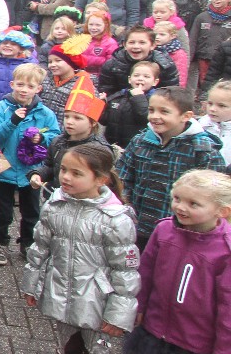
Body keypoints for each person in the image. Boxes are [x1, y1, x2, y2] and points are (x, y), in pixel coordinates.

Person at [20, 144, 138, 354]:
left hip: (97, 299)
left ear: (100, 179)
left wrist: (120, 312)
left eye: (76, 173)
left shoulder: (115, 218)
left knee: (98, 352)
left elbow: (125, 270)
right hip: (61, 291)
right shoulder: (55, 205)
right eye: (63, 170)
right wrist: (32, 283)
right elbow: (40, 248)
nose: (66, 177)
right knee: (67, 344)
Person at [125, 169, 231, 354]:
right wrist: (139, 307)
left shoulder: (225, 249)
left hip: (198, 338)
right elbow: (146, 271)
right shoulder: (164, 230)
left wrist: (225, 349)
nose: (181, 207)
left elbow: (229, 303)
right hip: (158, 324)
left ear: (221, 211)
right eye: (177, 199)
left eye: (193, 203)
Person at [119, 86, 228, 252]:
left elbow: (212, 196)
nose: (155, 116)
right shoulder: (140, 141)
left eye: (164, 111)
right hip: (137, 225)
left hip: (180, 231)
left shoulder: (202, 150)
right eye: (151, 110)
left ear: (186, 116)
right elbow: (123, 177)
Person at [0, 63, 61, 266]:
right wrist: (11, 122)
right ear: (12, 84)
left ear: (38, 89)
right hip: (2, 168)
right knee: (3, 211)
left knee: (31, 211)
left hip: (31, 171)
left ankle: (27, 243)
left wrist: (41, 138)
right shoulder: (0, 108)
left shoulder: (45, 113)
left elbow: (55, 137)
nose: (24, 90)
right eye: (20, 84)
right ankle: (0, 242)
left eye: (30, 86)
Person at [97, 26, 180, 97]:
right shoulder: (112, 65)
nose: (136, 46)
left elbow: (170, 94)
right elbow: (107, 92)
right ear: (124, 45)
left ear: (152, 45)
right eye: (131, 42)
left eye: (142, 42)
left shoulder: (165, 65)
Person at [102, 61, 159, 149]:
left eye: (146, 76)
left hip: (137, 147)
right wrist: (101, 104)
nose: (140, 79)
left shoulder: (155, 99)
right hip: (112, 145)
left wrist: (139, 97)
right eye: (136, 75)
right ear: (129, 79)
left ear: (155, 82)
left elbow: (146, 119)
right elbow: (104, 120)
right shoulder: (119, 96)